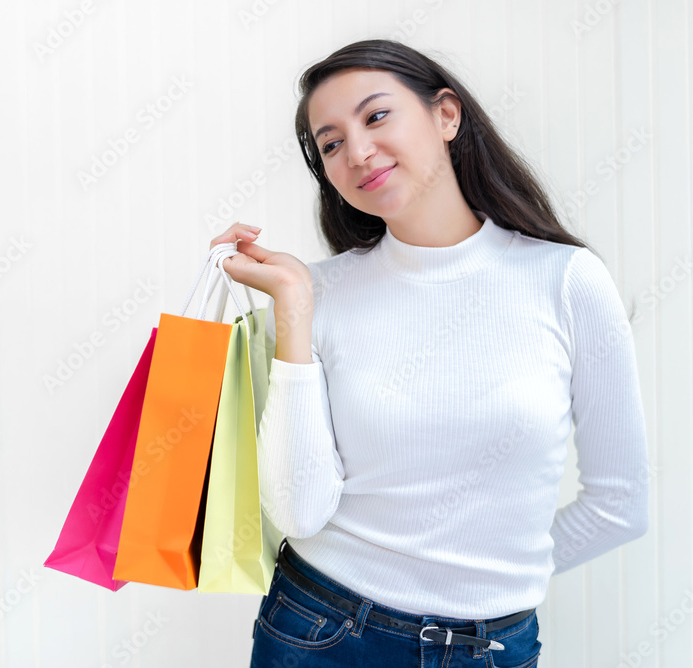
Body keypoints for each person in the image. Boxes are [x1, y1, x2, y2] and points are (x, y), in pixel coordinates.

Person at [209, 39, 650, 667]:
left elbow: (620, 507)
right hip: (319, 631)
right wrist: (293, 308)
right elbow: (303, 514)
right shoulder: (318, 291)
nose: (357, 152)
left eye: (376, 116)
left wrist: (487, 578)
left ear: (447, 115)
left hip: (490, 648)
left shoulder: (568, 282)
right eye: (330, 143)